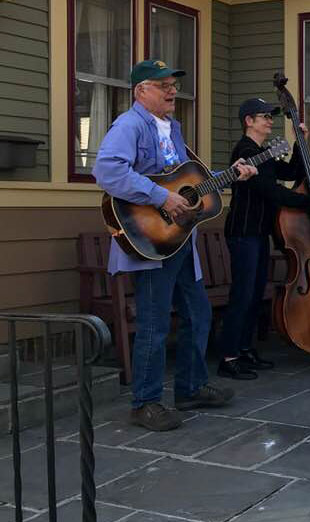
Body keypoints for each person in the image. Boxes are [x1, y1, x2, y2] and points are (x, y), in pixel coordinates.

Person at [93, 60, 258, 431]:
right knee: (154, 323)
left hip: (180, 240)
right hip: (151, 240)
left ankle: (190, 387)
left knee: (198, 314)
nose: (172, 91)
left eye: (173, 85)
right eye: (163, 85)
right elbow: (108, 171)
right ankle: (145, 403)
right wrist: (159, 198)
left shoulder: (173, 129)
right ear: (141, 91)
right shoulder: (129, 125)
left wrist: (232, 174)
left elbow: (187, 180)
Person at [216, 98, 310, 380]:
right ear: (249, 121)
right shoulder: (244, 152)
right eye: (264, 116)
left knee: (254, 295)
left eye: (271, 116)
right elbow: (273, 192)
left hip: (258, 232)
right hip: (244, 233)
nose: (270, 120)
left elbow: (291, 172)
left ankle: (244, 350)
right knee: (243, 295)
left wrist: (299, 143)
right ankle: (228, 357)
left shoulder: (262, 152)